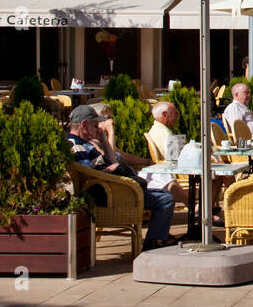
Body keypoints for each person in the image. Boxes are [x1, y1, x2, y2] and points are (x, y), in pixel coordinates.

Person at [67, 105, 177, 251]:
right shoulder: (76, 145)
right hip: (109, 194)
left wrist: (104, 140)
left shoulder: (86, 143)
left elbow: (112, 161)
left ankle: (155, 240)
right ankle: (153, 243)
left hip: (116, 188)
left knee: (164, 195)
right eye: (95, 125)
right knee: (165, 199)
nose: (98, 128)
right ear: (84, 125)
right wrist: (111, 169)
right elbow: (88, 176)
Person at [144, 102, 188, 204]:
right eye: (175, 114)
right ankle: (203, 209)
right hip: (176, 170)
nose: (177, 117)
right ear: (164, 115)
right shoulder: (164, 133)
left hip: (174, 168)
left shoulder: (158, 129)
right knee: (217, 175)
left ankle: (205, 209)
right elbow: (174, 156)